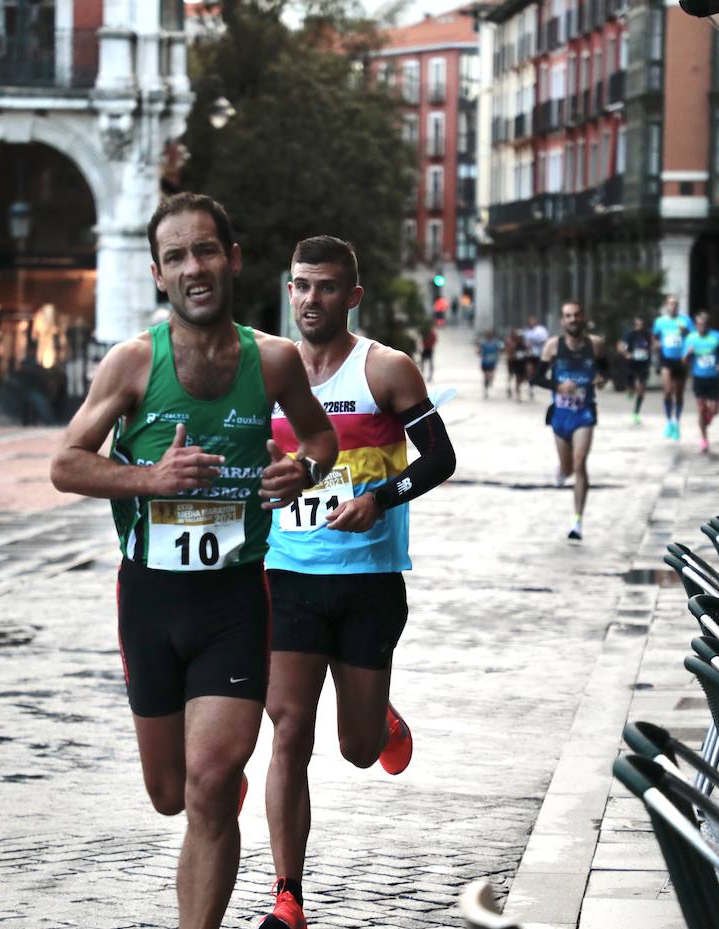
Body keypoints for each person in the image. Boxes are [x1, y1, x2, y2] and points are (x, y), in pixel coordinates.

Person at [48, 193, 337, 929]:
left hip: (235, 601)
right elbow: (65, 464)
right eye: (175, 256)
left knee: (210, 783)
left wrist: (300, 470)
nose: (193, 267)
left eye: (205, 250)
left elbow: (320, 441)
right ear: (157, 274)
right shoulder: (133, 363)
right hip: (149, 601)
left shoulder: (271, 359)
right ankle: (209, 791)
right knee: (170, 792)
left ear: (232, 259)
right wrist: (151, 478)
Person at [261, 235, 457, 929]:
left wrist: (382, 496)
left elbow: (441, 457)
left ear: (352, 295)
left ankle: (380, 719)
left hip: (369, 579)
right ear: (289, 291)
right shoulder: (264, 374)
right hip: (287, 577)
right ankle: (288, 894)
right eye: (301, 285)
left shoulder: (385, 369)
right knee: (288, 732)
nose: (312, 299)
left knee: (357, 747)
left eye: (326, 287)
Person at [537, 301, 608, 540]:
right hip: (560, 414)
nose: (573, 319)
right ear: (562, 320)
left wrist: (601, 379)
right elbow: (536, 378)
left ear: (583, 317)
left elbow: (606, 372)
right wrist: (558, 386)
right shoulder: (553, 346)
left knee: (580, 465)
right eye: (568, 316)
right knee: (567, 468)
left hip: (584, 413)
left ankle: (577, 521)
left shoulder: (595, 345)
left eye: (576, 315)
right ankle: (562, 469)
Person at [682, 311, 719, 454]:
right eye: (699, 324)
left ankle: (708, 418)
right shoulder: (690, 339)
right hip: (699, 378)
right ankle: (704, 439)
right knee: (701, 409)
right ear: (696, 325)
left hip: (714, 378)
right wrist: (688, 354)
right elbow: (684, 361)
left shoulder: (717, 337)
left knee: (714, 410)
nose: (701, 327)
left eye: (704, 324)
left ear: (708, 325)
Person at [651, 295, 693, 440]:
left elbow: (693, 337)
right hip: (666, 359)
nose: (673, 306)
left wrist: (685, 332)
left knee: (679, 393)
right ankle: (669, 421)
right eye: (670, 304)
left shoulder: (685, 320)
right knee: (668, 391)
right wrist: (656, 345)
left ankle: (676, 421)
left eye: (675, 304)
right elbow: (655, 337)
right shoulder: (660, 321)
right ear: (666, 306)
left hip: (681, 360)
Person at [617, 315, 651, 424]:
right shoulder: (629, 333)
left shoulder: (647, 333)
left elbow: (652, 344)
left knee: (642, 389)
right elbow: (620, 346)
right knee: (631, 388)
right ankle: (630, 390)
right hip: (631, 364)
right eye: (637, 323)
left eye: (641, 323)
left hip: (644, 364)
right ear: (634, 324)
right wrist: (626, 354)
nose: (639, 326)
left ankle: (636, 413)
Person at [522, 316, 550, 400]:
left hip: (540, 354)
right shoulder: (526, 332)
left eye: (533, 322)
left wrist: (536, 342)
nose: (531, 324)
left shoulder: (541, 330)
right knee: (529, 370)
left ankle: (535, 382)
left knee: (537, 371)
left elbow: (545, 341)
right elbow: (525, 343)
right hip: (530, 354)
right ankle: (530, 386)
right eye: (530, 322)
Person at [505, 328, 530, 401]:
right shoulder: (512, 344)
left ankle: (516, 390)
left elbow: (527, 353)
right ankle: (517, 393)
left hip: (522, 364)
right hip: (515, 363)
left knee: (522, 378)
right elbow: (510, 353)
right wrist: (513, 356)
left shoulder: (524, 345)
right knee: (515, 377)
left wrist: (525, 355)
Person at [478, 330, 503, 398]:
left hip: (493, 361)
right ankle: (486, 389)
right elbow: (479, 350)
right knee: (486, 375)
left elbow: (501, 347)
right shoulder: (483, 342)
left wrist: (499, 354)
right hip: (485, 361)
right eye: (488, 335)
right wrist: (480, 353)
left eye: (490, 335)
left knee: (491, 374)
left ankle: (490, 381)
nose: (489, 337)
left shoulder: (496, 342)